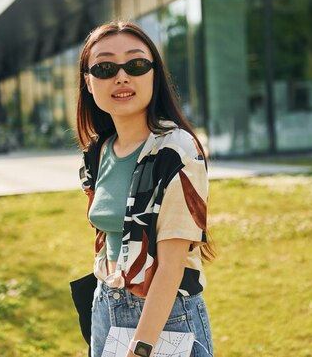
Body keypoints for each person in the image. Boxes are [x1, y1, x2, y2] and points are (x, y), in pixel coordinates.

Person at [76, 21, 215, 357]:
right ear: (89, 82)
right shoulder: (97, 152)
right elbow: (109, 235)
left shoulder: (176, 151)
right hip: (106, 303)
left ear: (154, 74)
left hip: (166, 316)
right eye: (105, 67)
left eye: (136, 65)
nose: (122, 77)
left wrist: (141, 348)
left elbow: (171, 265)